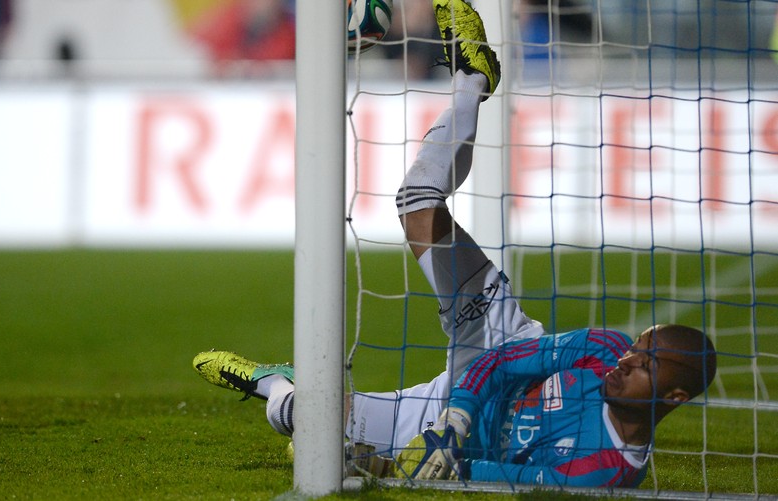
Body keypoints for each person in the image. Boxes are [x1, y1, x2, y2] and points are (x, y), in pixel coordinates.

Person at [191, 0, 717, 488]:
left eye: (645, 363)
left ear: (673, 397)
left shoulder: (603, 473)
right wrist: (456, 421)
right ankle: (472, 78)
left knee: (307, 421)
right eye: (639, 349)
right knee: (417, 201)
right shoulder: (605, 349)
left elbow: (497, 480)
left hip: (440, 426)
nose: (627, 360)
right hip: (491, 349)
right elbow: (507, 362)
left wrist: (418, 460)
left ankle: (268, 381)